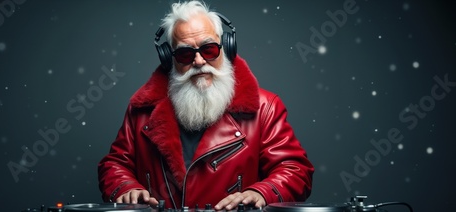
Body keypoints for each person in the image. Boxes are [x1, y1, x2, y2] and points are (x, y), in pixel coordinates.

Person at [98, 1, 314, 210]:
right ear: (168, 59)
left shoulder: (266, 107)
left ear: (226, 48)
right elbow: (114, 165)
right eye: (185, 54)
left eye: (209, 49)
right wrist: (126, 188)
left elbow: (296, 170)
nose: (199, 61)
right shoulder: (141, 111)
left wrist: (262, 193)